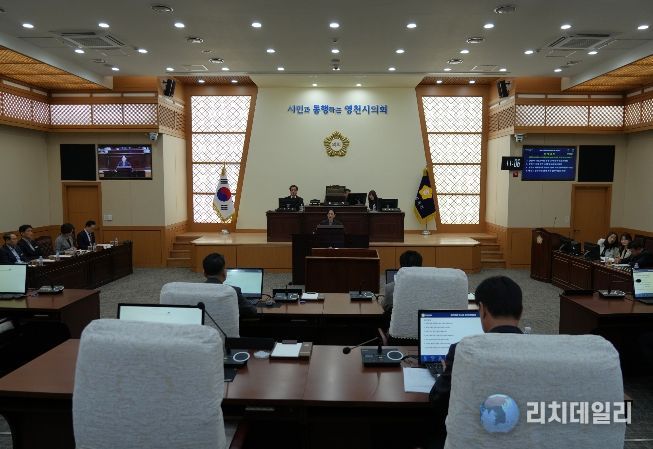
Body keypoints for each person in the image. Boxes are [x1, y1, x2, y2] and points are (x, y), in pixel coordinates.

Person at [428, 276, 523, 445]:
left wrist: (446, 373)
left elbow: (438, 400)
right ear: (521, 312)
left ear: (482, 309)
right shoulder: (538, 351)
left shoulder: (464, 351)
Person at [203, 253, 257, 318]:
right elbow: (252, 311)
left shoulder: (196, 290)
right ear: (224, 273)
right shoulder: (233, 291)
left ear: (204, 273)